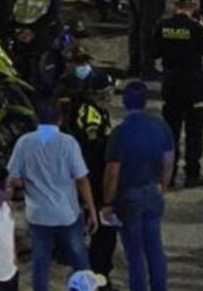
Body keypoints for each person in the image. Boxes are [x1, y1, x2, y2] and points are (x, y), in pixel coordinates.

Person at [7, 100, 99, 291]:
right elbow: (82, 179)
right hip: (67, 214)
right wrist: (92, 210)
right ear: (60, 119)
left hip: (38, 216)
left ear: (37, 118)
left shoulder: (24, 142)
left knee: (40, 263)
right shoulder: (68, 143)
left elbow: (12, 178)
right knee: (80, 260)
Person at [103, 81, 174, 291]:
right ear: (145, 102)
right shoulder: (161, 126)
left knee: (135, 253)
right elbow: (168, 161)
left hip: (129, 196)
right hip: (153, 191)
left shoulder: (120, 133)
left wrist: (107, 202)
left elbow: (112, 172)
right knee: (155, 248)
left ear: (124, 103)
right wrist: (163, 185)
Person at [153, 0, 203, 189]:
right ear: (193, 7)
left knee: (171, 133)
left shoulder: (162, 26)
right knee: (194, 133)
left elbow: (153, 52)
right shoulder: (196, 28)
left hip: (171, 86)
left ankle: (169, 176)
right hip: (193, 87)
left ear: (175, 6)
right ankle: (192, 175)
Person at [65, 72, 117, 289]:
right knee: (103, 236)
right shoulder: (91, 120)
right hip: (95, 185)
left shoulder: (95, 111)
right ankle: (98, 279)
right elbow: (93, 158)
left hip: (94, 183)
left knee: (103, 234)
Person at [10, 0, 62, 93]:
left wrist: (15, 28)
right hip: (40, 31)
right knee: (41, 66)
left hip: (18, 30)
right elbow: (54, 10)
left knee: (20, 66)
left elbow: (3, 0)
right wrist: (33, 31)